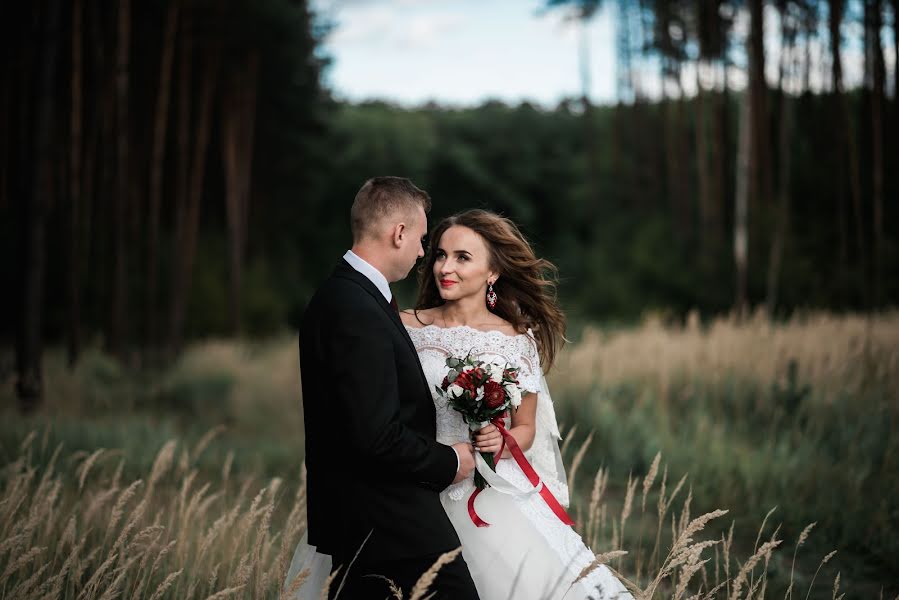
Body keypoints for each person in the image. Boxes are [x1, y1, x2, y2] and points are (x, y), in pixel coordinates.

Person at [398, 209, 634, 600]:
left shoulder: (514, 340)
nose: (445, 267)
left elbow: (526, 427)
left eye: (462, 257)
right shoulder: (406, 326)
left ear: (492, 273)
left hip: (487, 488)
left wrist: (501, 440)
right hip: (417, 480)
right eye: (440, 254)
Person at [288, 177, 481, 599]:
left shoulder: (348, 295)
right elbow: (376, 435)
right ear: (399, 233)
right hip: (387, 519)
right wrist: (450, 461)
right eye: (421, 239)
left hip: (365, 519)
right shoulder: (354, 307)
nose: (420, 253)